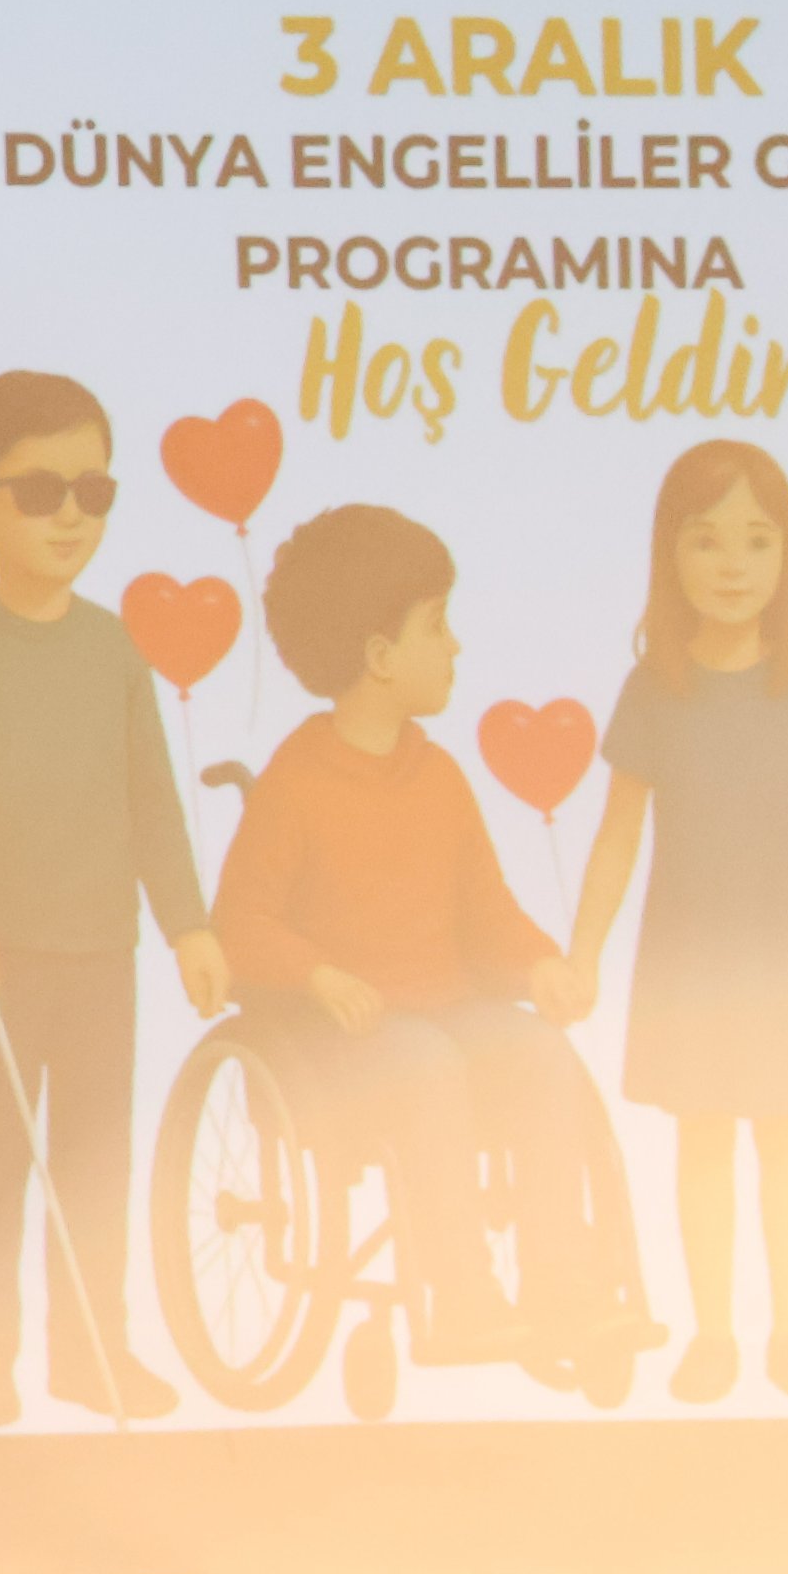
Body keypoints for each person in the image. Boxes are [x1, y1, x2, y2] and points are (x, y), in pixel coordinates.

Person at [213, 502, 628, 1375]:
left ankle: (561, 1285)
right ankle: (463, 1300)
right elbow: (241, 924)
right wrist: (319, 975)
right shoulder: (295, 784)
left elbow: (486, 910)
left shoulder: (438, 776)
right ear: (379, 655)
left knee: (540, 1051)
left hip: (442, 1016)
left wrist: (538, 964)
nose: (456, 645)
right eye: (437, 625)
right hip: (333, 1041)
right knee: (427, 1063)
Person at [0, 369, 227, 1427]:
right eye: (40, 492)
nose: (72, 514)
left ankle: (90, 1354)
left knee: (92, 1165)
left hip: (101, 955)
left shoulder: (114, 644)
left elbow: (152, 799)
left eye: (94, 490)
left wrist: (188, 924)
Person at [563, 441, 788, 1404]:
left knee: (786, 1140)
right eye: (707, 540)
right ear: (669, 555)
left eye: (759, 541)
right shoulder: (654, 689)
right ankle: (714, 1335)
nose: (733, 565)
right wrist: (582, 954)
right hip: (687, 962)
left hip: (783, 960)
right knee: (703, 1139)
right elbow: (614, 838)